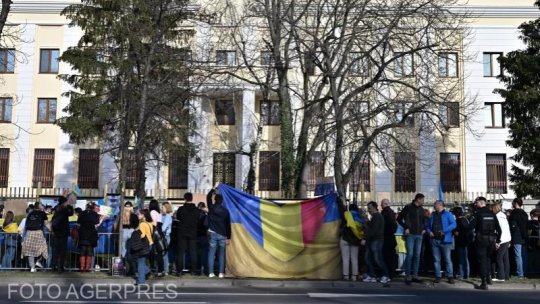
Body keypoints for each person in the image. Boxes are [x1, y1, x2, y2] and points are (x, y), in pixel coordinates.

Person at [471, 197, 501, 290]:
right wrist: (498, 241)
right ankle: (489, 278)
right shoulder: (492, 213)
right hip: (491, 240)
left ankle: (484, 283)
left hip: (481, 240)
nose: (475, 204)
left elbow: (470, 226)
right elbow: (499, 229)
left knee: (482, 260)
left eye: (476, 202)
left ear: (481, 203)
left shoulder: (477, 213)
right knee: (488, 259)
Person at [397, 193, 426, 285]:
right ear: (418, 199)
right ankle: (408, 275)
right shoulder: (408, 207)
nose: (423, 201)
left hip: (419, 234)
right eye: (422, 199)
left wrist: (424, 229)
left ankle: (415, 275)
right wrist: (406, 227)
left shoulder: (421, 209)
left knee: (417, 255)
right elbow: (399, 219)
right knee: (410, 254)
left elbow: (423, 220)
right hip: (410, 234)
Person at [426, 200, 456, 284]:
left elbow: (454, 224)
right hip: (434, 240)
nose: (434, 206)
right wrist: (429, 232)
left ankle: (450, 276)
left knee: (447, 259)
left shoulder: (448, 214)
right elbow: (428, 226)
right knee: (436, 260)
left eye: (435, 205)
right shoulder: (432, 215)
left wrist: (444, 231)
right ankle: (437, 276)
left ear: (440, 205)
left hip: (445, 241)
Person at [361, 201, 390, 284]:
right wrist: (366, 220)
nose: (368, 210)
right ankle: (372, 275)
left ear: (374, 207)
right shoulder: (375, 217)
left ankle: (385, 275)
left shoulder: (377, 216)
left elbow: (372, 230)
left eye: (369, 208)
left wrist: (364, 238)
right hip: (373, 240)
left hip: (376, 240)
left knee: (377, 259)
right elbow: (371, 228)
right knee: (369, 258)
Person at [207, 184, 231, 278]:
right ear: (222, 201)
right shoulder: (225, 211)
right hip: (222, 234)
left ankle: (210, 272)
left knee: (211, 253)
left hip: (212, 233)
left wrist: (213, 188)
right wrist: (229, 237)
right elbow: (228, 225)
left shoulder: (211, 208)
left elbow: (208, 197)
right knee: (221, 254)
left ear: (215, 200)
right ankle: (221, 273)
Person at [176, 192, 201, 275]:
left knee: (181, 252)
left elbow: (178, 217)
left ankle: (179, 270)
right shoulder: (197, 210)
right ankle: (194, 270)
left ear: (185, 199)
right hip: (193, 232)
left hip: (182, 232)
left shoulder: (181, 209)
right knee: (193, 252)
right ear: (192, 199)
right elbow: (198, 219)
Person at [21, 202, 50, 272]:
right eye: (42, 205)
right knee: (43, 248)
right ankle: (37, 261)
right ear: (39, 206)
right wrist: (51, 230)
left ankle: (32, 268)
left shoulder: (30, 214)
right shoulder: (43, 213)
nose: (43, 206)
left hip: (29, 233)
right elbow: (46, 224)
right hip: (38, 233)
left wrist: (23, 237)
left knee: (30, 251)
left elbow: (26, 226)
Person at [50, 196, 74, 273]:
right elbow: (71, 213)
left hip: (56, 232)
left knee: (56, 250)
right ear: (64, 202)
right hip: (63, 232)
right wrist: (70, 206)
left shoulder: (56, 208)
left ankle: (54, 266)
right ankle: (60, 267)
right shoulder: (64, 209)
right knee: (62, 251)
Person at [340, 202, 361, 281]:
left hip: (345, 238)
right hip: (355, 239)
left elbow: (341, 226)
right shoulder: (359, 216)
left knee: (345, 258)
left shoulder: (346, 215)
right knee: (354, 258)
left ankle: (346, 275)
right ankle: (354, 276)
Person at [77, 202, 101, 272]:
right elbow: (97, 224)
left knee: (83, 251)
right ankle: (87, 267)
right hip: (91, 234)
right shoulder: (95, 214)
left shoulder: (81, 213)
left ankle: (82, 267)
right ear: (93, 207)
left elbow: (78, 225)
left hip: (82, 234)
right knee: (90, 251)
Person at [452, 207, 474, 280]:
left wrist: (455, 232)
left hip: (460, 241)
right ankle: (466, 274)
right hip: (466, 241)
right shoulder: (465, 220)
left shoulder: (458, 221)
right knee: (465, 258)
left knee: (461, 258)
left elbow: (457, 232)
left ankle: (462, 275)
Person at [509, 198, 528, 278]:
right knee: (522, 255)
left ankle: (520, 274)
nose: (512, 204)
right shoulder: (524, 213)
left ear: (516, 203)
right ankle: (524, 272)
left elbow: (512, 226)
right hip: (524, 236)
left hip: (516, 236)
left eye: (513, 202)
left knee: (517, 255)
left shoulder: (514, 213)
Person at [134, 209, 154, 285]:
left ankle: (141, 281)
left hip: (143, 245)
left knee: (140, 262)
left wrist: (135, 233)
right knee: (141, 261)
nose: (138, 215)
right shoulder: (150, 223)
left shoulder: (142, 224)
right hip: (149, 244)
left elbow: (142, 235)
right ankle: (147, 271)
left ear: (143, 215)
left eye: (139, 214)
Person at [492, 202, 511, 282]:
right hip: (507, 238)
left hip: (502, 239)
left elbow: (498, 230)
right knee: (505, 258)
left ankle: (501, 276)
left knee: (499, 257)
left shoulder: (497, 216)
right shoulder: (504, 216)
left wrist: (498, 241)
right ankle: (506, 276)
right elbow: (507, 228)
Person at [380, 199, 397, 278]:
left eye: (381, 204)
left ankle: (386, 274)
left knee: (386, 257)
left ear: (385, 204)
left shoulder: (385, 212)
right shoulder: (392, 212)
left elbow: (382, 226)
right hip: (392, 238)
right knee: (391, 258)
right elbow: (394, 226)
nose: (381, 206)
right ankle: (391, 274)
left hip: (386, 238)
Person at [149, 199, 165, 276]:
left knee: (152, 253)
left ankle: (153, 269)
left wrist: (147, 222)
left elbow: (154, 223)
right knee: (159, 253)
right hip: (159, 233)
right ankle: (161, 270)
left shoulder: (152, 212)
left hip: (154, 234)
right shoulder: (159, 213)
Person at [196, 202, 209, 275]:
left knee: (197, 253)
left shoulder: (194, 215)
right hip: (204, 235)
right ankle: (205, 269)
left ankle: (198, 269)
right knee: (205, 253)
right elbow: (206, 225)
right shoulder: (205, 215)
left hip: (196, 235)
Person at [162, 202, 173, 275]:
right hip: (162, 236)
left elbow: (163, 228)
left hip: (165, 237)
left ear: (166, 208)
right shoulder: (163, 216)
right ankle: (164, 269)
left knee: (164, 254)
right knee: (162, 253)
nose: (161, 209)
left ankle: (166, 270)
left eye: (162, 207)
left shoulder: (168, 217)